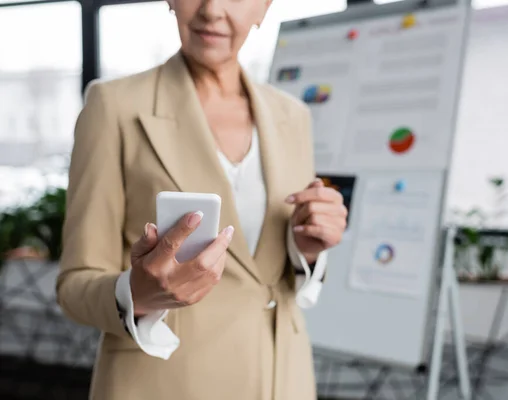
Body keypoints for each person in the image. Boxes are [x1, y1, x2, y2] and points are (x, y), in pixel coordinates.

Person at [56, 0, 348, 399]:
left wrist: (308, 251)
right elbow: (74, 284)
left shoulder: (291, 115)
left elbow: (273, 272)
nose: (212, 10)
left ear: (264, 8)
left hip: (284, 377)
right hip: (165, 383)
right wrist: (137, 294)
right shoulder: (115, 107)